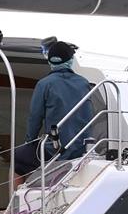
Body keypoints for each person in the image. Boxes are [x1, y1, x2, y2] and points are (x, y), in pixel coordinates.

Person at [15, 41, 93, 178]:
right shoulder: (84, 83)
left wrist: (30, 141)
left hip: (55, 149)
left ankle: (16, 196)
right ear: (70, 60)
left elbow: (35, 118)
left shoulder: (44, 84)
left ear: (50, 61)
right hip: (81, 149)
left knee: (18, 158)